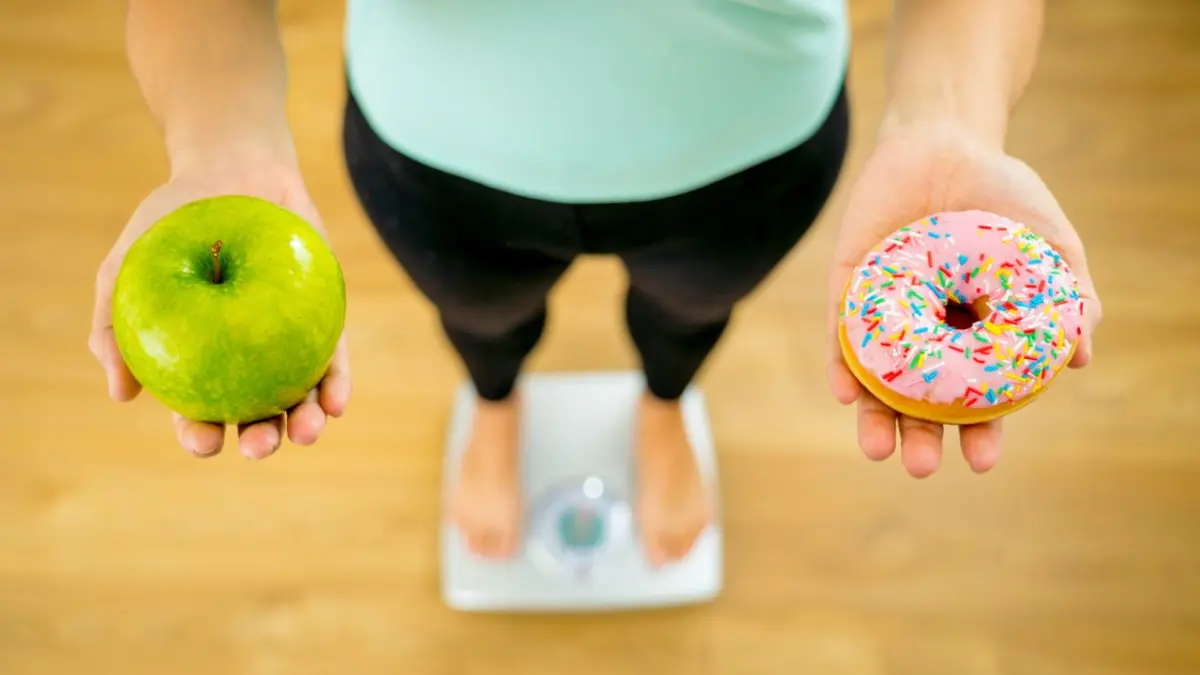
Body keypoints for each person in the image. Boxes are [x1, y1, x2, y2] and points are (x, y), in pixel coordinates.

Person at [90, 0, 1101, 565]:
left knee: (691, 311)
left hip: (752, 157)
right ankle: (495, 404)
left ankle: (664, 406)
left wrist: (952, 123)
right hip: (433, 160)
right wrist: (219, 144)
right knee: (480, 317)